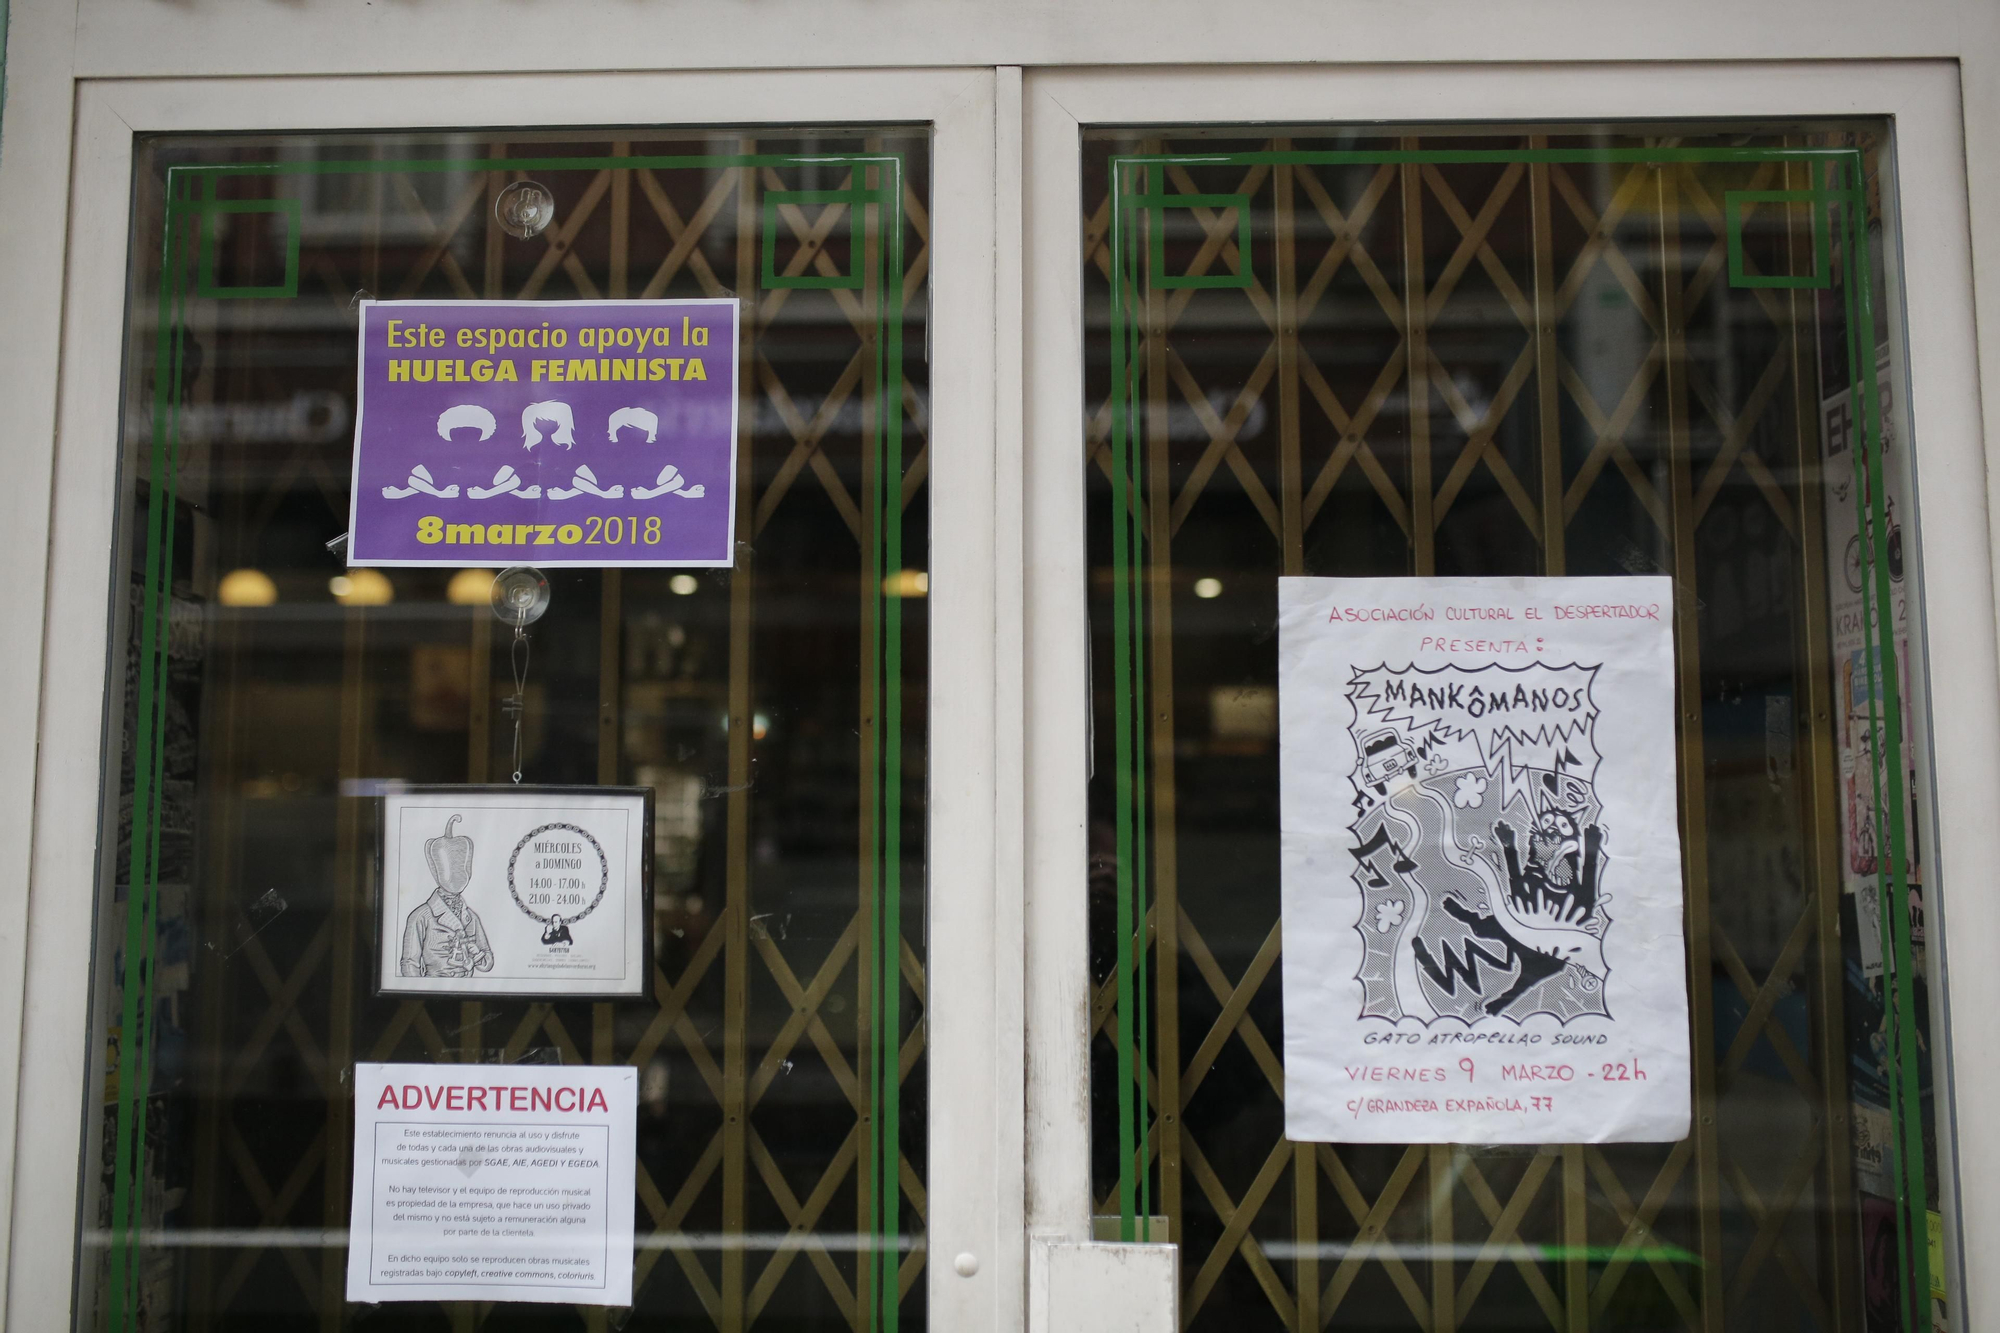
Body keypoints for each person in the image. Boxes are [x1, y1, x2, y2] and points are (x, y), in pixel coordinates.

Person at [400, 814, 495, 978]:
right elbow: (409, 965)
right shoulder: (420, 916)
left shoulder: (471, 917)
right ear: (435, 869)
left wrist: (477, 954)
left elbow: (487, 962)